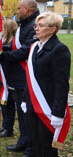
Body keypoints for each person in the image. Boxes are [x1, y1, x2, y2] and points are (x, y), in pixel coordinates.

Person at [24, 12, 71, 156]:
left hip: (48, 108)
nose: (36, 29)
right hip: (33, 106)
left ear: (52, 29)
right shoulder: (35, 47)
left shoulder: (59, 50)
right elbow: (30, 78)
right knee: (36, 145)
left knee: (47, 149)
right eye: (36, 25)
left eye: (41, 26)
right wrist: (26, 100)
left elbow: (61, 84)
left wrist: (58, 113)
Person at [0, 0, 39, 156]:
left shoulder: (34, 25)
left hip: (25, 76)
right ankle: (23, 141)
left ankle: (31, 146)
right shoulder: (24, 24)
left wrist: (4, 55)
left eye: (19, 8)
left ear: (28, 9)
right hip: (17, 77)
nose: (17, 11)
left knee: (26, 113)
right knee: (21, 112)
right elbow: (15, 45)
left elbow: (25, 51)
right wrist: (2, 48)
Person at [0, 19, 18, 137]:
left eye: (4, 28)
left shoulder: (13, 43)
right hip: (2, 75)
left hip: (10, 77)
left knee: (9, 102)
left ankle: (9, 128)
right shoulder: (3, 41)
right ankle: (5, 126)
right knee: (3, 102)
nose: (2, 31)